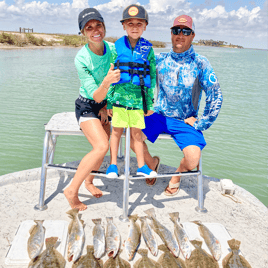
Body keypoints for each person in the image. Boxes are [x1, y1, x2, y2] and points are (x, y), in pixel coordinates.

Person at [141, 15, 223, 193]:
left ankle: (177, 175)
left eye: (185, 31)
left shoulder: (200, 63)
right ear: (171, 34)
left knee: (193, 160)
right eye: (176, 30)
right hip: (159, 115)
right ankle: (152, 163)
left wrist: (202, 123)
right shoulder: (159, 59)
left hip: (185, 120)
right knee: (133, 135)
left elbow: (215, 95)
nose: (180, 35)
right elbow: (136, 77)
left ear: (192, 35)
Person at [63, 8, 120, 211]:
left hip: (106, 104)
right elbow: (95, 95)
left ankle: (89, 181)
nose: (95, 30)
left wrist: (108, 105)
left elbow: (121, 82)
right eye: (89, 27)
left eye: (98, 25)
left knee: (102, 149)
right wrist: (105, 85)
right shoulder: (81, 58)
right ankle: (71, 190)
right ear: (83, 32)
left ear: (104, 27)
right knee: (101, 147)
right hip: (86, 104)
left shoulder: (113, 49)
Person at [106, 4, 158, 180]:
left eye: (139, 24)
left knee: (136, 134)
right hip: (119, 98)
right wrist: (109, 101)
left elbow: (151, 78)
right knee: (116, 132)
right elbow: (111, 76)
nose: (134, 27)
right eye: (130, 24)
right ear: (124, 26)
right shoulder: (116, 48)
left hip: (138, 100)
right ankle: (113, 165)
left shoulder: (148, 50)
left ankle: (142, 166)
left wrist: (149, 104)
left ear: (145, 26)